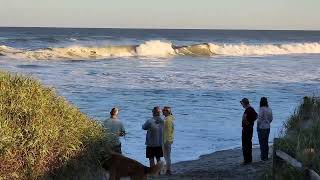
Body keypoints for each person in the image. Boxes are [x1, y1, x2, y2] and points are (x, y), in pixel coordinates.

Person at [240, 98, 257, 164]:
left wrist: (247, 123)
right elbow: (256, 116)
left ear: (244, 103)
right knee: (248, 144)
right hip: (250, 129)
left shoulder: (248, 110)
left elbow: (244, 119)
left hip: (246, 129)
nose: (242, 105)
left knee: (245, 145)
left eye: (242, 104)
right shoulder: (251, 109)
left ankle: (246, 160)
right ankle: (249, 159)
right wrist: (251, 122)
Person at [162, 106, 175, 175]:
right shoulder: (169, 118)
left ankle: (168, 170)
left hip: (166, 140)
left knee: (166, 156)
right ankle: (168, 169)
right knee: (167, 156)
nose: (162, 111)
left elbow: (169, 131)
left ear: (167, 112)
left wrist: (166, 140)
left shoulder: (168, 120)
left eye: (164, 110)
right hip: (168, 140)